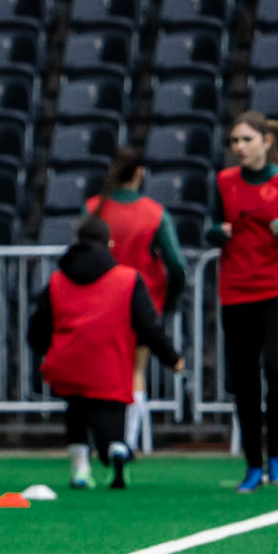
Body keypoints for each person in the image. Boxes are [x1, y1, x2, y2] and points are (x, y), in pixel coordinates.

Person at [207, 111, 278, 493]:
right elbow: (210, 226)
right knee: (243, 381)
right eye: (234, 141)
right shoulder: (224, 182)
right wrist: (216, 233)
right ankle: (253, 464)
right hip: (237, 289)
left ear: (266, 142)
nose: (239, 148)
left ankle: (277, 454)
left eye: (246, 140)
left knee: (277, 367)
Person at [27, 215, 184, 490]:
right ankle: (116, 450)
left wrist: (43, 348)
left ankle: (79, 468)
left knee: (75, 411)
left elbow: (39, 325)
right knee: (111, 411)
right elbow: (149, 326)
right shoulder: (127, 279)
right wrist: (171, 358)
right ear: (109, 242)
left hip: (69, 359)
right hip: (109, 360)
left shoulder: (57, 280)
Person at [85, 147, 188, 456]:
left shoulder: (93, 208)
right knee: (135, 373)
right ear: (140, 172)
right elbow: (177, 265)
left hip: (96, 305)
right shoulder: (154, 213)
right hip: (141, 304)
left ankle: (94, 443)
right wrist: (170, 301)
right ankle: (126, 443)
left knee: (98, 374)